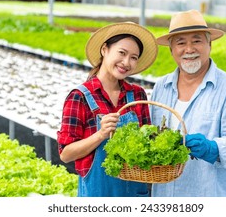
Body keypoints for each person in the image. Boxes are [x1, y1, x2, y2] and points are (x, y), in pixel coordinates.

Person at [149, 9, 226, 197]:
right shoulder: (161, 87)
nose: (189, 49)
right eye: (181, 43)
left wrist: (213, 148)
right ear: (172, 50)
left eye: (197, 41)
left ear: (209, 45)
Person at [57, 22, 158, 197]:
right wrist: (101, 134)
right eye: (122, 53)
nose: (126, 62)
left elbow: (148, 143)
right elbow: (66, 154)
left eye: (134, 57)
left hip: (134, 192)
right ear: (105, 50)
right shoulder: (80, 96)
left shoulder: (137, 95)